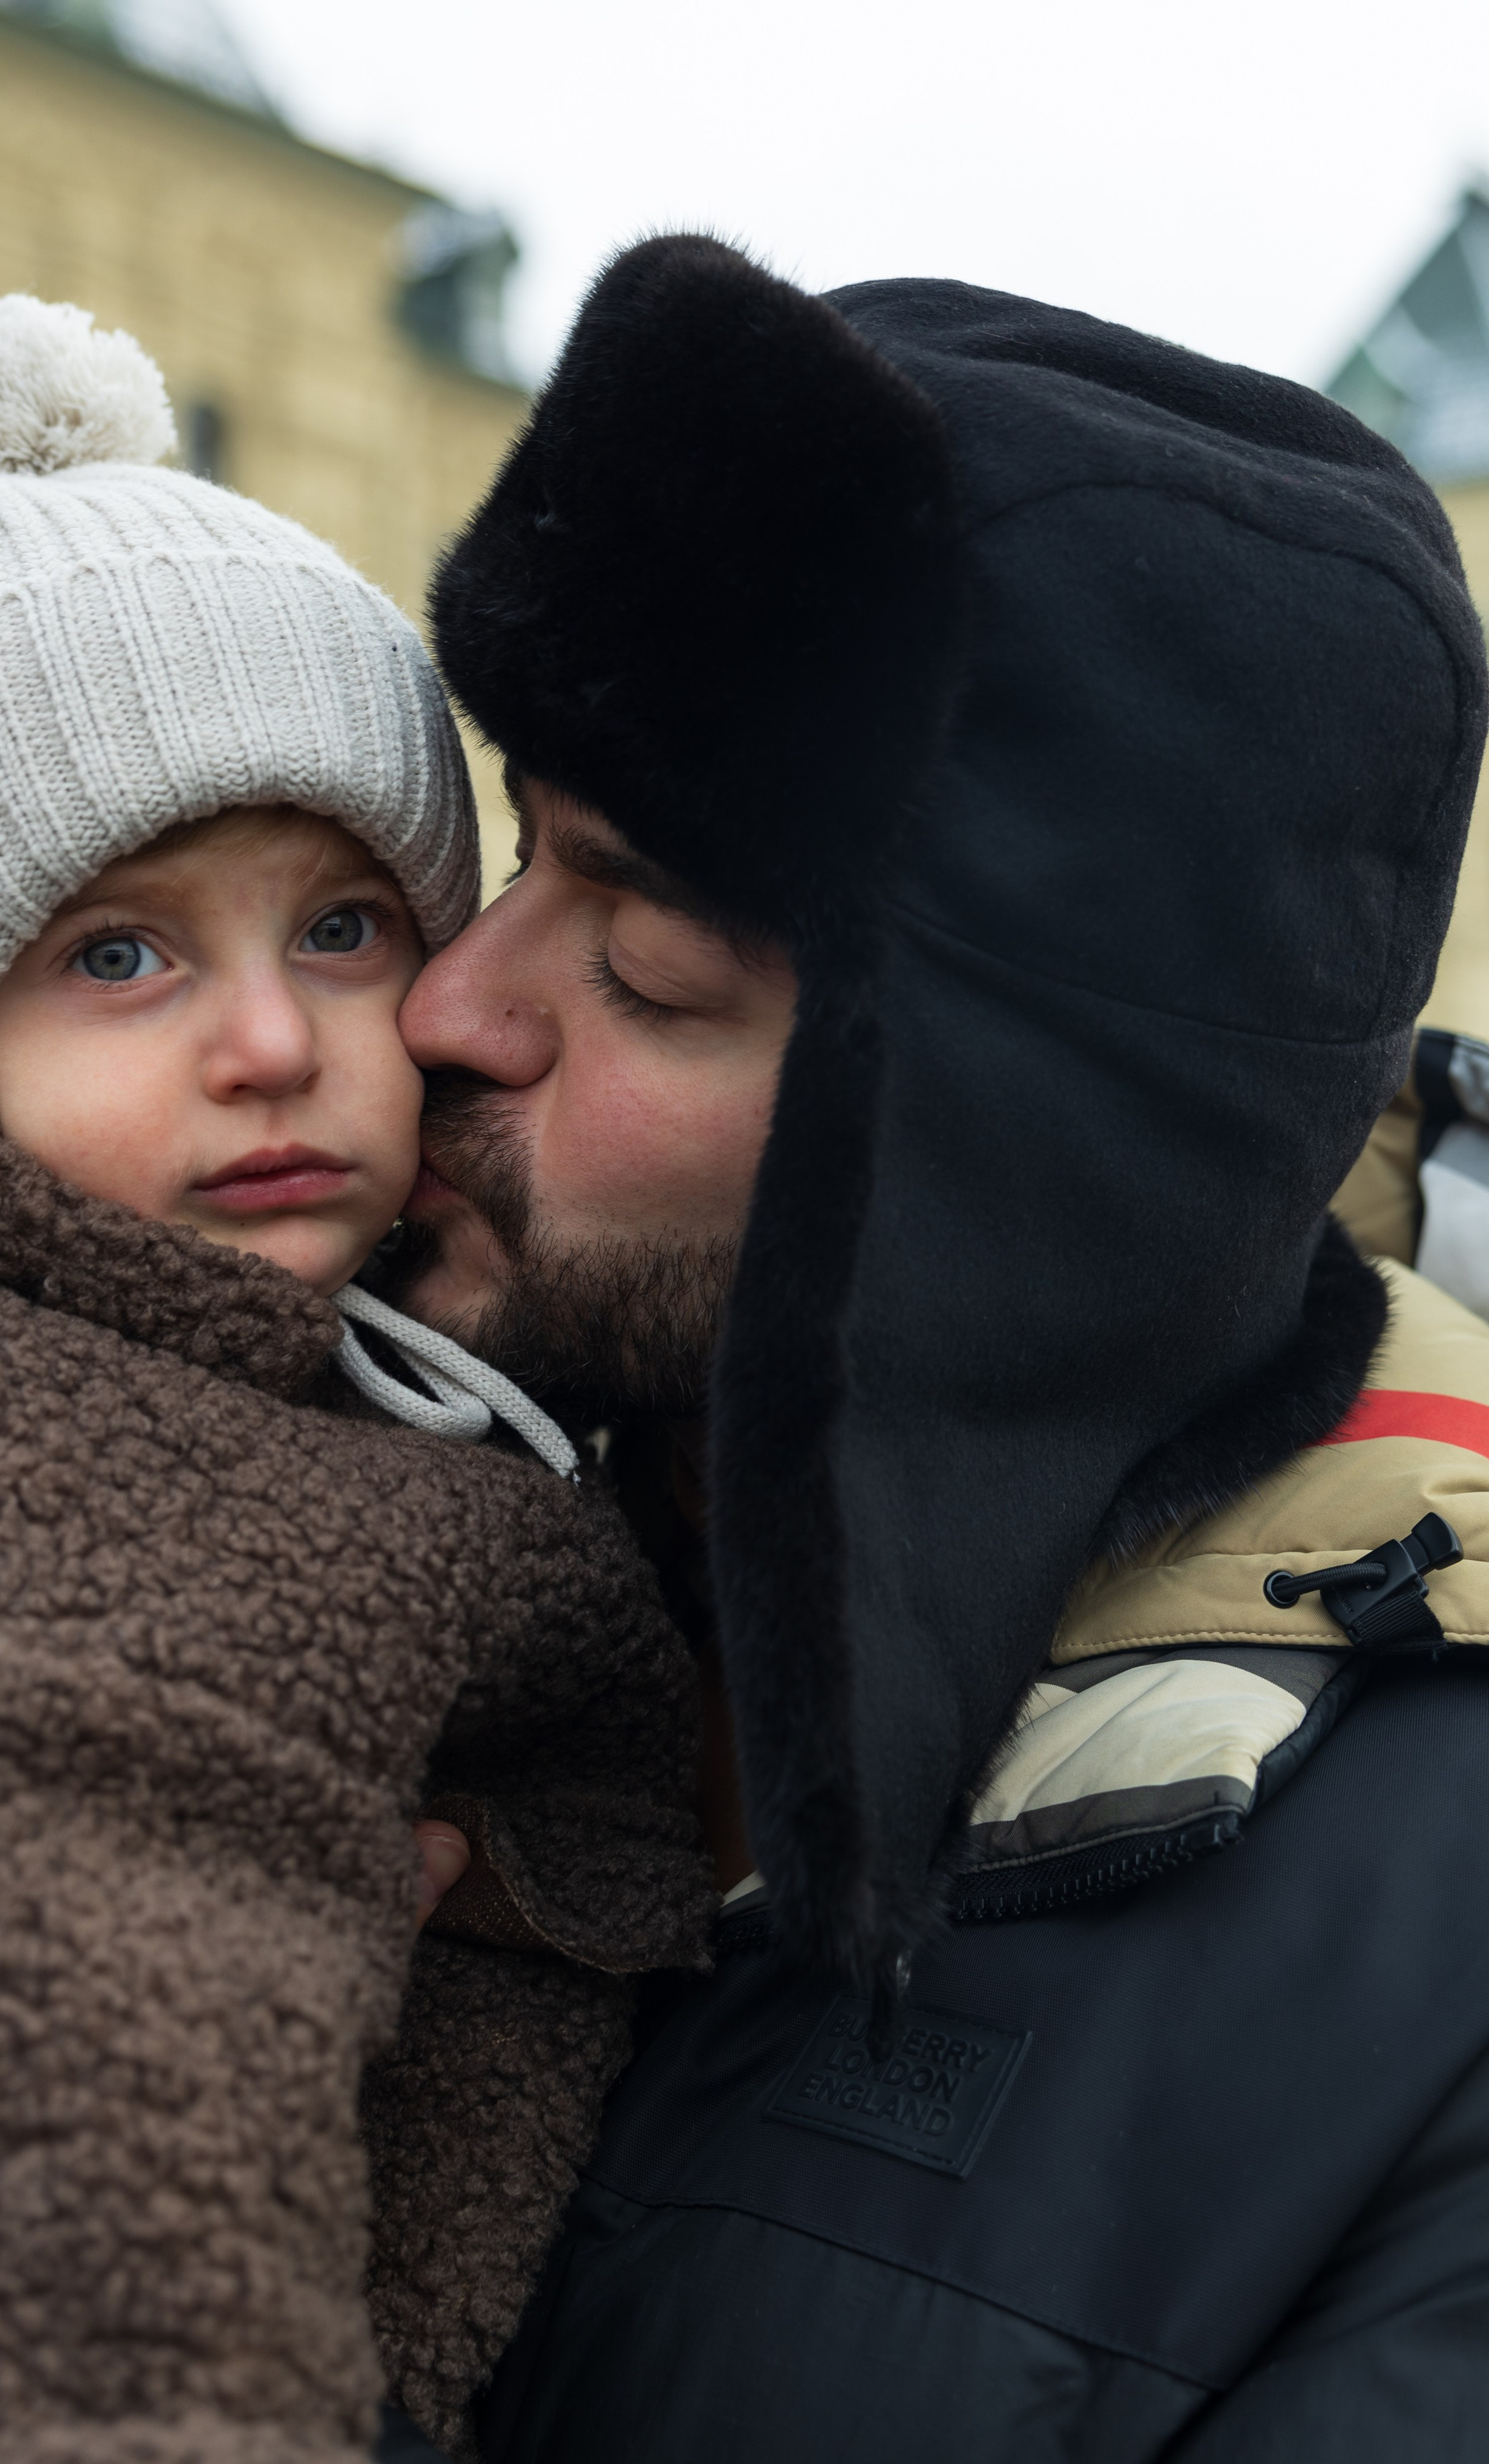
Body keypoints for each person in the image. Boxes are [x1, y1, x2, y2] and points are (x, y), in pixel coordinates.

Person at [379, 236, 1489, 2459]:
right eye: (520, 845)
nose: (445, 1005)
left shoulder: (1439, 1974)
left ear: (999, 1180)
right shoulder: (354, 1489)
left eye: (657, 967)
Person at [0, 294, 709, 2464]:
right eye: (117, 954)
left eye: (342, 925)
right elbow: (9, 2200)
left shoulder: (261, 1333)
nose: (271, 1040)